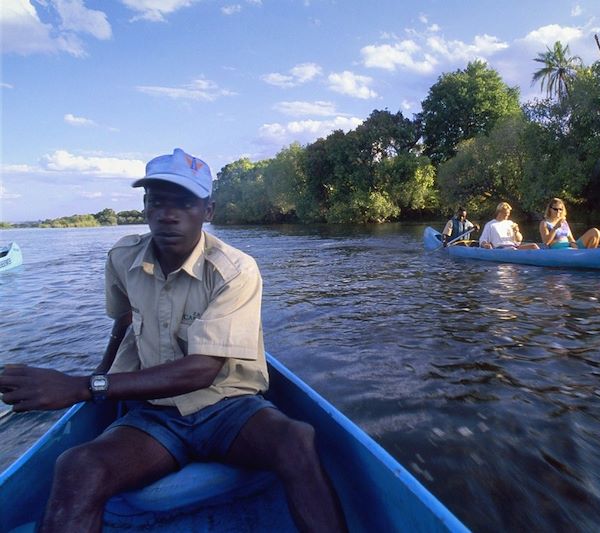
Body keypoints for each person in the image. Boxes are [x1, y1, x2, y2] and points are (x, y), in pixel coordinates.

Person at [0, 148, 346, 533]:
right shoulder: (121, 257)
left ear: (208, 211)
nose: (169, 213)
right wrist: (103, 368)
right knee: (78, 466)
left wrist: (84, 387)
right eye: (158, 201)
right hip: (156, 413)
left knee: (296, 440)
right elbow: (124, 317)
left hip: (227, 406)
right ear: (145, 207)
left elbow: (203, 370)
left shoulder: (235, 270)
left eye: (184, 202)